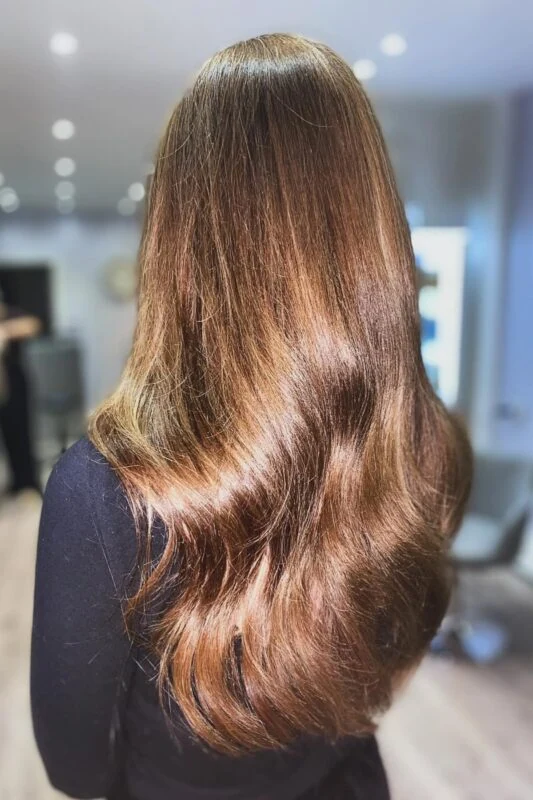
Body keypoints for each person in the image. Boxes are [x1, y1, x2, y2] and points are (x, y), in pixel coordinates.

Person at [31, 34, 472, 800]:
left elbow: (75, 770)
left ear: (180, 238)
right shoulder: (427, 446)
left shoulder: (104, 492)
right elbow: (382, 672)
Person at [0, 293, 41, 496]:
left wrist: (5, 331)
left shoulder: (9, 312)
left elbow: (33, 324)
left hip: (11, 382)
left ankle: (24, 482)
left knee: (19, 433)